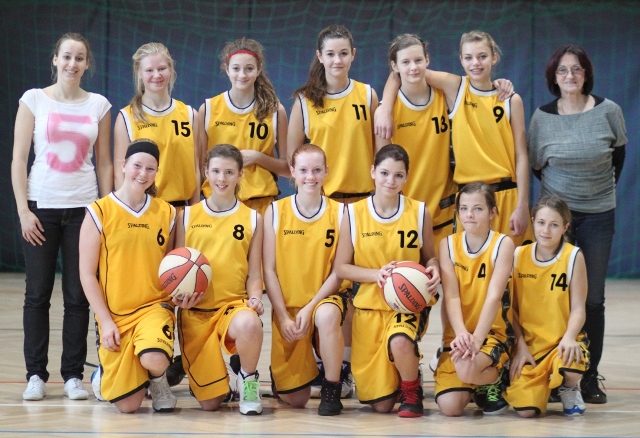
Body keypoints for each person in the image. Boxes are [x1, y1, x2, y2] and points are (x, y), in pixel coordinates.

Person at [11, 32, 112, 401]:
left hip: (85, 210)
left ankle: (73, 376)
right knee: (37, 295)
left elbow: (104, 163)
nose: (72, 63)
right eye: (66, 56)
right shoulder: (34, 100)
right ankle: (35, 375)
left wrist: (105, 210)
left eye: (79, 58)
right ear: (55, 59)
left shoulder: (99, 105)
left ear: (87, 64)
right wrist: (23, 211)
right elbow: (19, 159)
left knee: (78, 297)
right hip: (41, 208)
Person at [528, 44, 627, 404]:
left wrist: (595, 193)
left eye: (577, 69)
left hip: (599, 216)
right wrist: (560, 207)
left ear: (587, 74)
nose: (570, 76)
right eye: (562, 70)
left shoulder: (609, 111)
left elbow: (618, 157)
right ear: (553, 77)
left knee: (593, 299)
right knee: (555, 298)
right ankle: (557, 375)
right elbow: (537, 166)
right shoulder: (541, 118)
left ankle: (588, 377)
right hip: (557, 220)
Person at [288, 24, 380, 398]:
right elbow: (292, 160)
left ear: (353, 55)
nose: (337, 60)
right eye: (330, 53)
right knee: (326, 290)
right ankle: (325, 363)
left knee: (358, 295)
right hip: (323, 207)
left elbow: (381, 154)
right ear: (319, 56)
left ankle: (350, 364)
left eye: (344, 53)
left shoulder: (368, 95)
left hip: (363, 205)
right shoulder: (304, 101)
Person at [376, 30, 531, 247]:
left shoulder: (510, 99)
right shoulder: (456, 87)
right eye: (469, 57)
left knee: (512, 266)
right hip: (467, 198)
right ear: (461, 60)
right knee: (468, 266)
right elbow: (402, 73)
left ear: (494, 57)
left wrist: (523, 204)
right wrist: (385, 107)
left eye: (482, 56)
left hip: (506, 195)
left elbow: (521, 155)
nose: (475, 63)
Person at [79, 140, 196, 413]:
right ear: (123, 166)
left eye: (150, 169)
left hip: (153, 308)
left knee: (155, 358)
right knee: (127, 406)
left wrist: (181, 296)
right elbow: (86, 274)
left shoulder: (167, 212)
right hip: (116, 314)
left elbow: (175, 269)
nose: (143, 174)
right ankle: (108, 373)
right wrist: (106, 321)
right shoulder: (99, 211)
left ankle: (158, 380)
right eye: (137, 166)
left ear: (157, 172)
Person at [112, 41, 200, 389]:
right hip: (144, 215)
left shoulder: (189, 114)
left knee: (185, 291)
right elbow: (120, 173)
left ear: (171, 70)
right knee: (148, 291)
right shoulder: (126, 117)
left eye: (162, 68)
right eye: (149, 69)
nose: (156, 75)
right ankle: (146, 365)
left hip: (182, 212)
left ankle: (179, 364)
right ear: (139, 74)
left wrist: (194, 214)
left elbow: (196, 168)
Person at [334, 144, 440, 418]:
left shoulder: (419, 212)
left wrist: (434, 268)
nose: (390, 181)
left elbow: (430, 257)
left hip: (407, 304)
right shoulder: (353, 213)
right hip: (369, 307)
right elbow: (341, 267)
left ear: (406, 177)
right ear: (372, 172)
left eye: (398, 175)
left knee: (400, 341)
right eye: (384, 173)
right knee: (380, 405)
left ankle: (412, 390)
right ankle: (404, 371)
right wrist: (376, 274)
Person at [175, 144, 265, 415]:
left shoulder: (253, 218)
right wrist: (179, 297)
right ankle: (219, 374)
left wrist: (255, 298)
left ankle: (248, 380)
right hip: (196, 312)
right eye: (215, 171)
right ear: (206, 172)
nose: (221, 178)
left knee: (250, 322)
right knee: (210, 404)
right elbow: (176, 268)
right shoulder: (187, 216)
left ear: (240, 175)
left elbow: (254, 272)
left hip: (232, 308)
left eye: (229, 172)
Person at [263, 144, 347, 416]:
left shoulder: (341, 213)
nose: (310, 177)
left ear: (327, 172)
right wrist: (282, 316)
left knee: (326, 316)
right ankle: (284, 377)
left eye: (317, 170)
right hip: (288, 308)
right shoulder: (275, 211)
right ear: (292, 172)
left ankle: (332, 387)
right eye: (303, 170)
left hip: (325, 299)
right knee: (296, 399)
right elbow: (269, 270)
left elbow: (339, 271)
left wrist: (311, 307)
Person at [435, 182, 514, 416]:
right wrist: (461, 334)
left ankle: (496, 375)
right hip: (459, 335)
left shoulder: (503, 244)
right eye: (464, 208)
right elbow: (451, 296)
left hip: (491, 333)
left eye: (478, 209)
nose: (469, 214)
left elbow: (493, 296)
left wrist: (477, 339)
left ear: (492, 212)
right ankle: (476, 380)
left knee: (467, 369)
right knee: (450, 408)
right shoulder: (447, 245)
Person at [505, 195, 589, 417]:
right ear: (533, 221)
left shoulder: (573, 256)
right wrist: (520, 345)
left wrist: (569, 337)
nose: (546, 230)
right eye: (541, 222)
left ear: (565, 228)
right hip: (531, 346)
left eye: (554, 225)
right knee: (526, 412)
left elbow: (579, 309)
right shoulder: (518, 255)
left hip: (561, 342)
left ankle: (569, 387)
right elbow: (512, 310)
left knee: (570, 366)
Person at [374, 34, 456, 250]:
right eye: (406, 62)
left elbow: (472, 84)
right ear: (395, 66)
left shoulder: (445, 95)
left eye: (418, 60)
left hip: (445, 210)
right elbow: (382, 170)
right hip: (405, 214)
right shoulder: (385, 112)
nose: (413, 67)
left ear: (427, 60)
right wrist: (385, 107)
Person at [196, 38, 289, 216]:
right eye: (236, 68)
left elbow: (288, 169)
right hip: (218, 204)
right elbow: (199, 167)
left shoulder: (275, 111)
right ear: (227, 69)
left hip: (261, 203)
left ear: (259, 69)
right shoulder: (208, 109)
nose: (242, 75)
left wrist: (258, 157)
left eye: (249, 68)